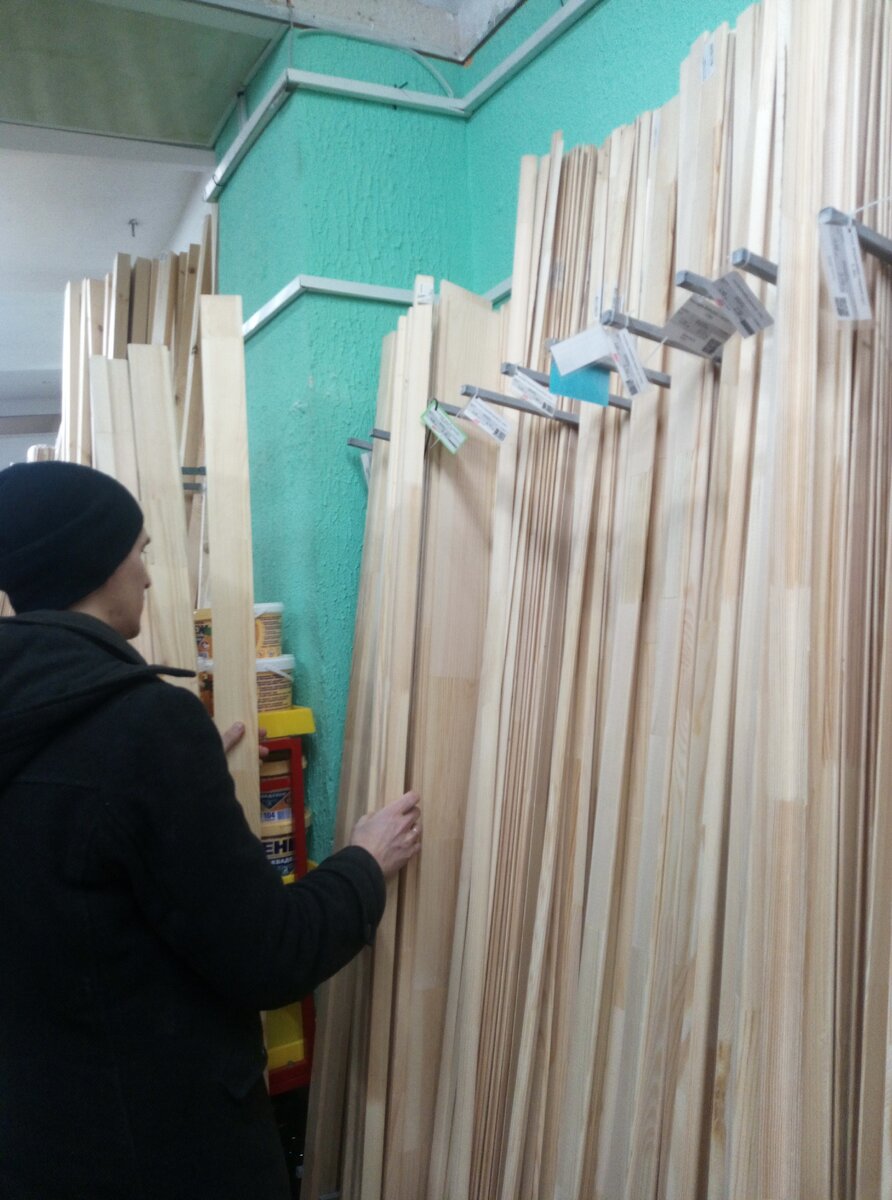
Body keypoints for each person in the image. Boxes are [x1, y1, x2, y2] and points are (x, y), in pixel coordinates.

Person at [0, 460, 422, 1199]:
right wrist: (364, 861)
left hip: (36, 1142)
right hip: (162, 1151)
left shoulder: (40, 716)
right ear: (98, 563)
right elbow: (270, 955)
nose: (147, 575)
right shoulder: (141, 728)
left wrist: (181, 777)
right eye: (139, 551)